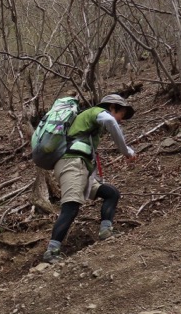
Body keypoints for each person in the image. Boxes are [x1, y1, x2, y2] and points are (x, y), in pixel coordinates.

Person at [42, 94, 136, 264]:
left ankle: (106, 231)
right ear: (112, 107)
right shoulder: (97, 112)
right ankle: (52, 252)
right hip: (71, 164)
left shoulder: (91, 123)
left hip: (81, 167)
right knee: (71, 206)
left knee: (111, 193)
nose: (121, 120)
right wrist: (127, 151)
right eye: (121, 114)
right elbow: (110, 122)